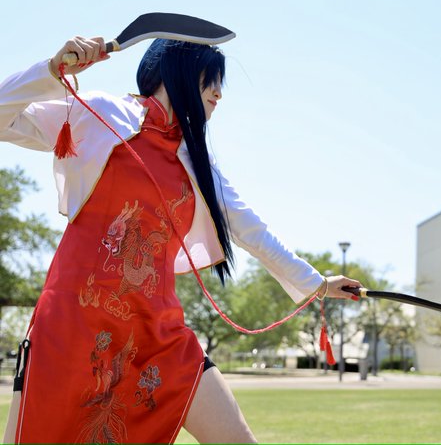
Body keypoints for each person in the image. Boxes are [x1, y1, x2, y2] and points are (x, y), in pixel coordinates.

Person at [0, 35, 361, 444]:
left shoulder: (197, 161)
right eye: (211, 79)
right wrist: (52, 71)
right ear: (177, 72)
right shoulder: (101, 113)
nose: (218, 93)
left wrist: (318, 283)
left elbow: (253, 231)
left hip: (160, 337)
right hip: (76, 328)